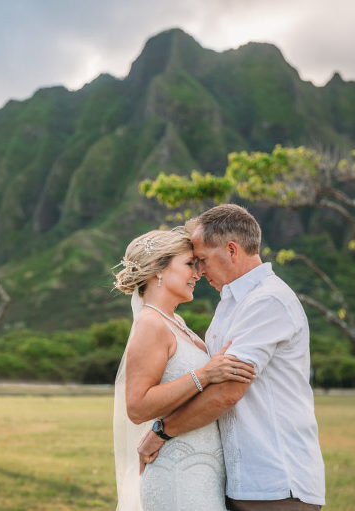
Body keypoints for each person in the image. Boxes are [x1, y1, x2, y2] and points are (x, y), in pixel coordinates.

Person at [137, 204, 326, 510]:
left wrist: (162, 432)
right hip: (241, 482)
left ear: (232, 250)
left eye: (202, 260)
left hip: (275, 482)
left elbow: (227, 392)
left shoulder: (268, 301)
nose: (199, 271)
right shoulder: (232, 302)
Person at [113, 227, 256, 510]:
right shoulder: (150, 324)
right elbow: (137, 407)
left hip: (204, 472)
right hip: (176, 474)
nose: (198, 273)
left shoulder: (176, 323)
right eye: (190, 264)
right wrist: (204, 374)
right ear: (158, 270)